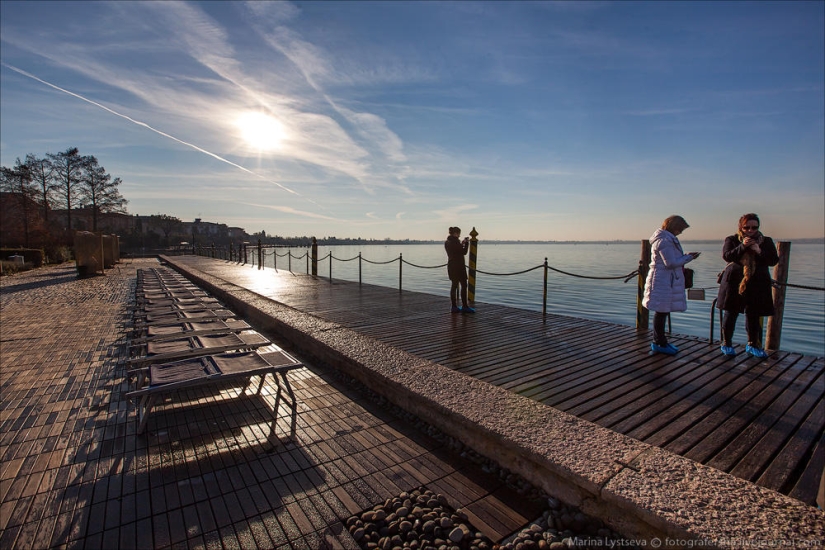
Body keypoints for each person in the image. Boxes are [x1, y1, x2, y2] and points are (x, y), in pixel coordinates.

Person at [716, 213, 778, 358]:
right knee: (731, 312)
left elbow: (773, 260)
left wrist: (759, 250)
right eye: (747, 227)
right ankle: (726, 343)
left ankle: (752, 344)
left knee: (754, 314)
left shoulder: (766, 241)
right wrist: (742, 247)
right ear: (741, 227)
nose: (750, 230)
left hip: (758, 282)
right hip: (735, 282)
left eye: (754, 227)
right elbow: (727, 256)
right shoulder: (732, 239)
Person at [642, 215, 701, 355]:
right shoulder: (664, 241)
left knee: (663, 311)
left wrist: (686, 256)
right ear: (674, 227)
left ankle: (661, 341)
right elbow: (670, 263)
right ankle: (659, 342)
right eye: (680, 229)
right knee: (661, 311)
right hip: (662, 281)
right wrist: (689, 257)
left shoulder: (666, 239)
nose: (681, 232)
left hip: (665, 280)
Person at [444, 227, 474, 313]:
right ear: (455, 233)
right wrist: (467, 243)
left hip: (451, 266)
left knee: (454, 285)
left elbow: (456, 250)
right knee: (464, 285)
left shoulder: (447, 242)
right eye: (459, 233)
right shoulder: (455, 242)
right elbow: (463, 252)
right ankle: (465, 306)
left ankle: (454, 306)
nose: (459, 235)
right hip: (459, 267)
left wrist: (462, 243)